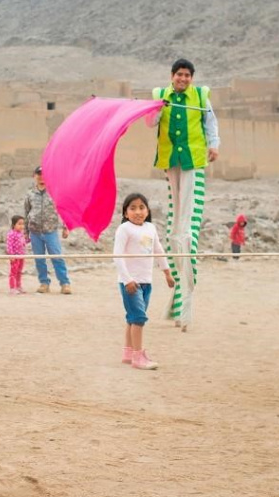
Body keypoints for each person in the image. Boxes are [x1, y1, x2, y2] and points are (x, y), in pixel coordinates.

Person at [150, 58, 220, 330]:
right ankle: (178, 303)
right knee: (175, 221)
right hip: (170, 159)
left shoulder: (200, 96)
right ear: (172, 76)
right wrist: (158, 109)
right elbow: (150, 123)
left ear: (192, 78)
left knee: (187, 225)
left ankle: (186, 306)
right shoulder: (160, 95)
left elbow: (210, 123)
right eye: (179, 75)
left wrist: (214, 145)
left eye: (187, 75)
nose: (183, 79)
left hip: (193, 159)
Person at [114, 193, 175, 370]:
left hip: (146, 281)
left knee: (132, 319)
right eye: (132, 208)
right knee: (139, 319)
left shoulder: (151, 228)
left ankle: (128, 352)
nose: (138, 212)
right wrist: (127, 280)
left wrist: (167, 273)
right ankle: (138, 357)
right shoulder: (124, 229)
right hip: (131, 283)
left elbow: (158, 250)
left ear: (147, 211)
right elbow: (117, 256)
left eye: (141, 207)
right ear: (125, 213)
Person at [24, 165, 71, 294]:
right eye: (39, 175)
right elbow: (26, 212)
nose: (41, 178)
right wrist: (25, 233)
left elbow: (63, 210)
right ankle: (44, 283)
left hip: (51, 231)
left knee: (57, 257)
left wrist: (65, 227)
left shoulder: (55, 192)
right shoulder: (30, 194)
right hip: (35, 232)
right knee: (39, 259)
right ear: (34, 176)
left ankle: (65, 283)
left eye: (44, 175)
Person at [6, 215, 28, 295]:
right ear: (13, 224)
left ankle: (18, 286)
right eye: (19, 224)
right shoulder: (11, 234)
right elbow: (9, 245)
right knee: (13, 272)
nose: (22, 226)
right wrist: (11, 255)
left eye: (23, 224)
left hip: (22, 256)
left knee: (19, 271)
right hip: (15, 256)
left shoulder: (21, 233)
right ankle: (12, 288)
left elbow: (24, 242)